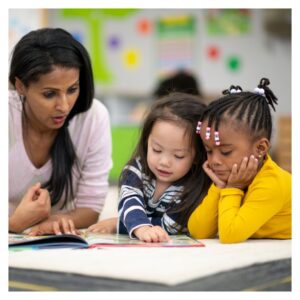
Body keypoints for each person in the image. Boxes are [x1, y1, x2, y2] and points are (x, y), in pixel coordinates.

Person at [9, 28, 112, 235]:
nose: (64, 106)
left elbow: (90, 210)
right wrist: (13, 224)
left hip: (57, 249)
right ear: (20, 86)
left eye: (72, 89)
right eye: (49, 94)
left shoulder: (93, 117)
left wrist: (51, 222)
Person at [88, 92, 211, 242]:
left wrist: (118, 225)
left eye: (179, 156)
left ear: (197, 157)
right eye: (157, 150)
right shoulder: (136, 170)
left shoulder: (194, 187)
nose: (164, 161)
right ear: (147, 142)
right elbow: (129, 200)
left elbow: (172, 226)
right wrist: (141, 228)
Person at [188, 78, 291, 243]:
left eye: (225, 151)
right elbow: (198, 231)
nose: (214, 160)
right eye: (208, 150)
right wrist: (219, 187)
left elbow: (230, 235)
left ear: (260, 149)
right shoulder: (231, 177)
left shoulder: (272, 183)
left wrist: (233, 188)